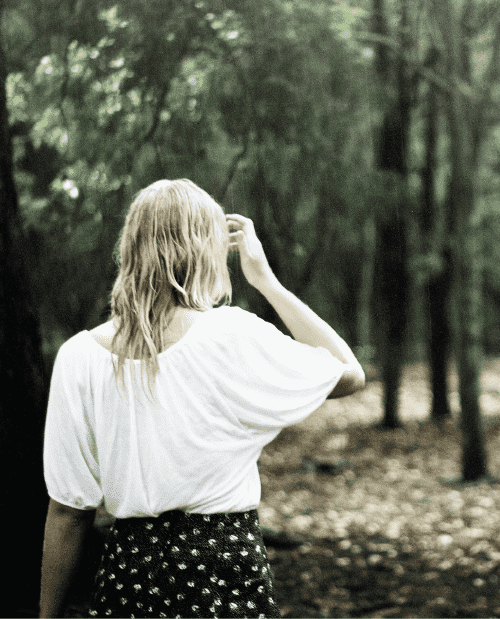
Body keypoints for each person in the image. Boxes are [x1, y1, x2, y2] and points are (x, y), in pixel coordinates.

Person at [39, 179, 365, 618]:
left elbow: (67, 512)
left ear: (131, 247)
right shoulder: (229, 333)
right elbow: (350, 374)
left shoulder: (78, 356)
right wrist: (267, 281)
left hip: (130, 578)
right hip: (224, 571)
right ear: (203, 251)